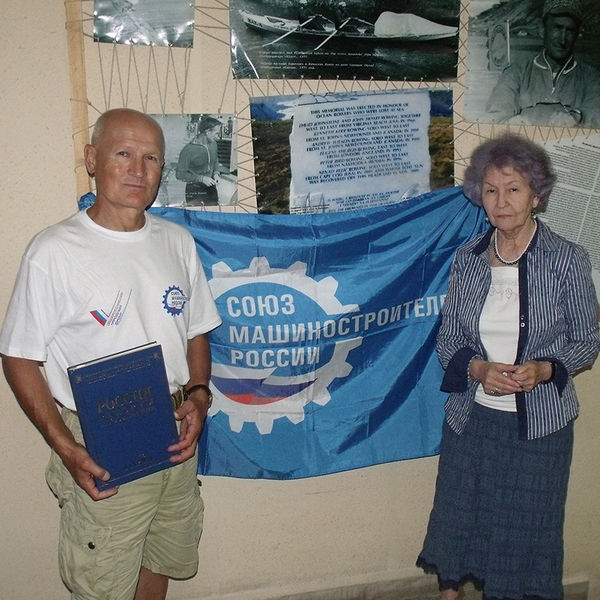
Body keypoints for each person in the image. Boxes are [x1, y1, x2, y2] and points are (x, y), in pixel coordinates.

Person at [0, 108, 222, 600]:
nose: (138, 170)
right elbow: (18, 357)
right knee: (103, 581)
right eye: (123, 153)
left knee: (161, 559)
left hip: (174, 433)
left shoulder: (177, 242)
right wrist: (66, 448)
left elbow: (197, 331)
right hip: (101, 441)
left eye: (151, 158)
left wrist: (199, 395)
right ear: (91, 160)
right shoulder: (54, 251)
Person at [416, 134, 599, 600]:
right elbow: (448, 340)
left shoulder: (567, 260)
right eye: (491, 190)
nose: (501, 202)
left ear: (536, 195)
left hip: (538, 430)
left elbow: (586, 341)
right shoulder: (468, 258)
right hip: (471, 421)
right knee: (459, 520)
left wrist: (546, 369)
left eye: (513, 189)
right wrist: (477, 369)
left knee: (524, 536)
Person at [486, 0, 600, 127]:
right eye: (557, 28)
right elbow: (494, 117)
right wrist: (512, 125)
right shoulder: (516, 72)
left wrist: (577, 117)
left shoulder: (591, 78)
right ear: (542, 29)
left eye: (570, 31)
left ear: (577, 35)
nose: (562, 39)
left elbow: (596, 113)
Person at [176, 115, 223, 207]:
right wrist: (201, 179)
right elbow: (179, 174)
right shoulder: (188, 150)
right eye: (216, 133)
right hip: (194, 188)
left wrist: (216, 173)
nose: (218, 137)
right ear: (207, 131)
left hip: (211, 185)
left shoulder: (214, 144)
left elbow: (215, 160)